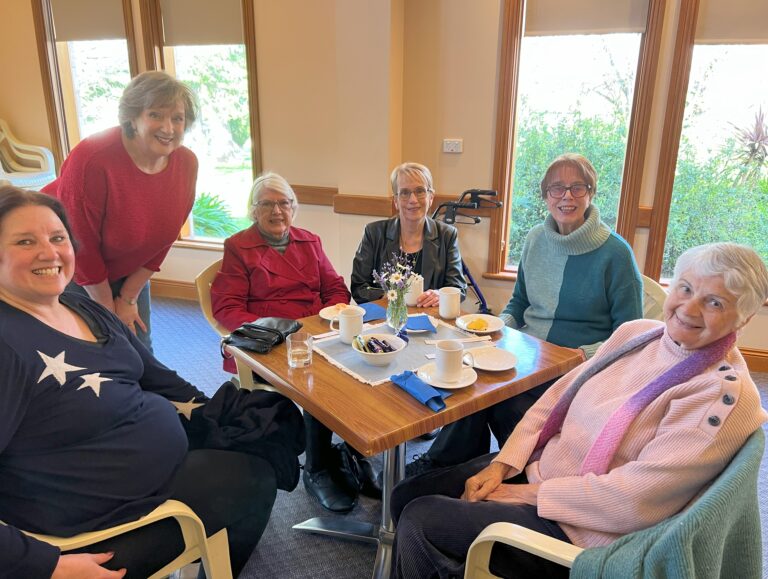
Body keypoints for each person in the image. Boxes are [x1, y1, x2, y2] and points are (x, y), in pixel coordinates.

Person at [389, 242, 768, 579]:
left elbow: (632, 501)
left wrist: (522, 494)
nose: (689, 307)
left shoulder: (720, 396)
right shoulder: (637, 334)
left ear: (745, 318)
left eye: (714, 302)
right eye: (685, 288)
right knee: (404, 496)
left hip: (582, 528)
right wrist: (502, 465)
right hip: (543, 473)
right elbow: (557, 398)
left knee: (422, 523)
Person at [0, 186, 303, 578]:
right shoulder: (7, 345)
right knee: (255, 479)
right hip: (98, 529)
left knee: (264, 426)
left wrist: (219, 415)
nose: (49, 252)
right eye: (25, 241)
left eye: (57, 238)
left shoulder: (82, 307)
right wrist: (49, 565)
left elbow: (157, 377)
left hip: (150, 469)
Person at [412, 153, 643, 474]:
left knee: (504, 402)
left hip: (579, 369)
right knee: (474, 384)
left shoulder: (616, 254)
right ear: (545, 196)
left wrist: (581, 354)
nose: (566, 196)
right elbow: (518, 304)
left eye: (578, 187)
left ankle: (506, 469)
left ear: (591, 194)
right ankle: (453, 467)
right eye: (556, 188)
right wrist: (491, 328)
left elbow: (633, 337)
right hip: (530, 360)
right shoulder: (535, 240)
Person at [211, 172, 373, 513]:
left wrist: (333, 310)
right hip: (270, 343)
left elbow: (334, 287)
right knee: (320, 384)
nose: (277, 211)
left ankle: (351, 453)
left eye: (284, 203)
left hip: (317, 331)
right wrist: (270, 329)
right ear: (253, 211)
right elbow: (227, 308)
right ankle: (316, 470)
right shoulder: (239, 247)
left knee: (365, 364)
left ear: (294, 208)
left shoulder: (309, 241)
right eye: (267, 203)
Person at [43, 71, 199, 351]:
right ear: (131, 118)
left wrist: (127, 298)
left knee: (139, 345)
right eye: (155, 115)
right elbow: (81, 245)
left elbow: (166, 235)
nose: (169, 127)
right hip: (70, 265)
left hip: (128, 266)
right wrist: (107, 307)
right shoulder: (92, 158)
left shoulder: (186, 163)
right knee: (94, 349)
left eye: (177, 118)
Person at [351, 162, 467, 307]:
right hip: (384, 319)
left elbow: (459, 288)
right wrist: (387, 296)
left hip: (430, 320)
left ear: (431, 197)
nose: (413, 200)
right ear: (396, 201)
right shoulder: (374, 233)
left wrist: (440, 295)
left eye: (420, 191)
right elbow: (359, 287)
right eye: (405, 192)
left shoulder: (447, 235)